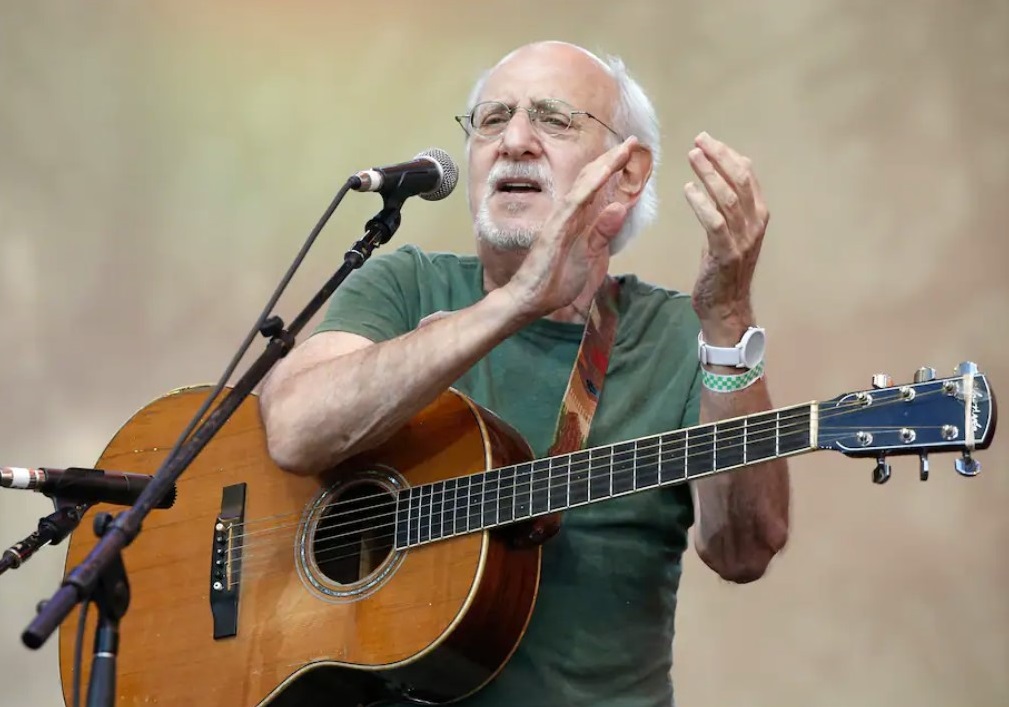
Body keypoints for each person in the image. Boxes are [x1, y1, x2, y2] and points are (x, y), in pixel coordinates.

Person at [259, 40, 790, 707]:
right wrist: (514, 302)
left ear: (624, 174)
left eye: (553, 119)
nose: (513, 140)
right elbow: (292, 428)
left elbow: (744, 547)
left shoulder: (682, 336)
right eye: (491, 119)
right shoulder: (405, 284)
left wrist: (729, 318)